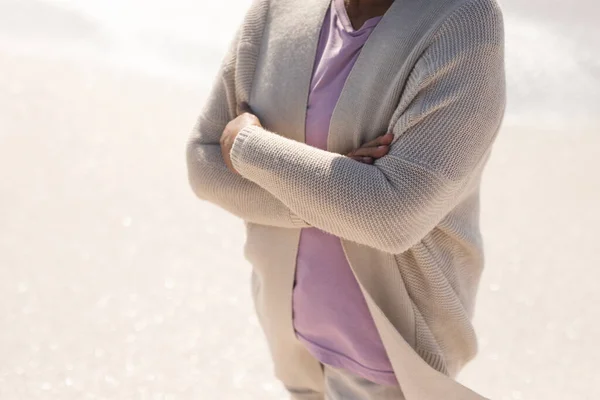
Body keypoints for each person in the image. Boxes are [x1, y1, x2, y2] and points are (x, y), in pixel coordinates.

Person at [186, 0, 505, 398]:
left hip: (389, 363)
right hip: (292, 340)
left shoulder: (462, 22)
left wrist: (248, 148)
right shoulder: (279, 8)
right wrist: (339, 190)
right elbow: (203, 162)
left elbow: (393, 217)